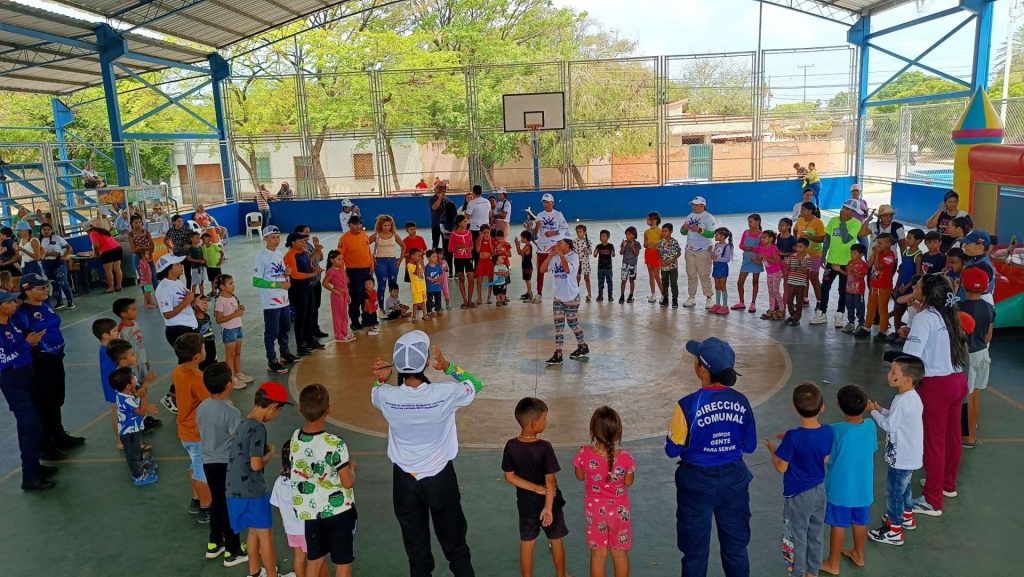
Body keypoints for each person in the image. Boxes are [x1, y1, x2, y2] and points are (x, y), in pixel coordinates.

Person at [370, 331, 482, 577]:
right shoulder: (444, 393)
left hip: (404, 481)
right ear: (424, 364)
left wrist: (381, 378)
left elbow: (376, 391)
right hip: (440, 479)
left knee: (416, 554)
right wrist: (448, 366)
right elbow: (476, 384)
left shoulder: (386, 396)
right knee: (456, 547)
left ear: (397, 365)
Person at [667, 337, 756, 577]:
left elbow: (672, 450)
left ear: (702, 369)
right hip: (734, 481)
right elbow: (749, 446)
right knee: (736, 549)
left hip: (696, 483)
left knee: (695, 553)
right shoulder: (742, 401)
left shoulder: (686, 405)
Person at [882, 274, 968, 517]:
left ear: (927, 293)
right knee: (952, 437)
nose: (915, 287)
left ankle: (932, 499)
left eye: (918, 286)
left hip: (936, 386)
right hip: (957, 380)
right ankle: (947, 484)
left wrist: (891, 358)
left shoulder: (924, 318)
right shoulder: (948, 314)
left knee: (934, 443)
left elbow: (912, 358)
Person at [765, 382, 833, 577]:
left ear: (794, 407)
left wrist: (773, 449)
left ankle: (797, 572)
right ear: (822, 407)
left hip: (798, 495)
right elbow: (824, 457)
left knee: (796, 535)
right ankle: (812, 571)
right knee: (815, 532)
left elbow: (781, 466)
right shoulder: (828, 431)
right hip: (819, 491)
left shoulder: (793, 438)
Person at [290, 384, 356, 577]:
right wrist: (352, 469)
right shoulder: (335, 443)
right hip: (339, 511)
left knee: (315, 558)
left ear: (299, 408)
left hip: (310, 511)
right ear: (329, 409)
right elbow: (347, 482)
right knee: (342, 561)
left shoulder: (295, 438)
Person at [228, 381, 292, 577]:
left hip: (234, 488)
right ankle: (272, 574)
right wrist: (271, 452)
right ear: (273, 407)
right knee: (266, 535)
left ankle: (254, 572)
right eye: (278, 411)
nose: (276, 415)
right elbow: (256, 464)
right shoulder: (258, 428)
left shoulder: (243, 422)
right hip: (252, 491)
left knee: (253, 531)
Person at [15, 273, 83, 457]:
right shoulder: (22, 314)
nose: (46, 290)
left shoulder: (45, 305)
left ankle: (58, 434)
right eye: (41, 288)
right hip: (41, 362)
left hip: (55, 358)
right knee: (44, 403)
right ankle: (45, 444)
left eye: (46, 287)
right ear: (27, 290)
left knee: (57, 399)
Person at [502, 397, 568, 577]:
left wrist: (533, 487)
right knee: (555, 540)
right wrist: (548, 507)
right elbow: (551, 482)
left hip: (526, 504)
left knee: (527, 543)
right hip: (550, 504)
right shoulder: (545, 447)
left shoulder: (511, 445)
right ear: (534, 423)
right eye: (544, 419)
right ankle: (561, 575)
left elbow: (509, 476)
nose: (546, 422)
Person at [867, 356, 925, 546]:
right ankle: (907, 516)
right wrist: (881, 409)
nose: (889, 374)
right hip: (910, 456)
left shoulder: (902, 401)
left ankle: (894, 531)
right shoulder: (911, 397)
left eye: (894, 372)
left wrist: (873, 412)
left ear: (907, 379)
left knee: (893, 492)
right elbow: (897, 418)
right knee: (905, 488)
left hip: (901, 458)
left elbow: (890, 425)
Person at [820, 385, 877, 575]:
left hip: (840, 489)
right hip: (863, 488)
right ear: (864, 405)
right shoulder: (870, 425)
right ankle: (858, 555)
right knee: (860, 521)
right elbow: (872, 449)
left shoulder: (834, 430)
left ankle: (832, 563)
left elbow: (825, 456)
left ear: (839, 405)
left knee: (838, 524)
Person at [574, 406, 635, 577]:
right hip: (619, 512)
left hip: (594, 512)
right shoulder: (626, 458)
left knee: (598, 555)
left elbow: (579, 476)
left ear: (592, 431)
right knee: (620, 554)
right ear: (617, 433)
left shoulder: (583, 453)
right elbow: (628, 482)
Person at [1, 288, 53, 491]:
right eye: (10, 303)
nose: (15, 305)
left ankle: (35, 467)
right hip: (14, 380)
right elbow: (2, 361)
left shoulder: (11, 323)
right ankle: (29, 477)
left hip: (26, 374)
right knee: (29, 426)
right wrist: (26, 344)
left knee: (34, 425)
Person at [196, 362, 246, 566]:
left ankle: (215, 542)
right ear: (228, 385)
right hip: (226, 462)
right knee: (229, 505)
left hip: (208, 460)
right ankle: (233, 550)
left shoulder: (202, 406)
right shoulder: (231, 412)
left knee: (218, 501)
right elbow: (239, 437)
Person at [173, 332, 213, 523]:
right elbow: (210, 402)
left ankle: (196, 499)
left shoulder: (178, 370)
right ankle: (207, 507)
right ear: (197, 356)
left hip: (185, 430)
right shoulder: (197, 377)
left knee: (195, 465)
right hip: (196, 432)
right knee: (202, 471)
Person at [812, 200, 870, 328]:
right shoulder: (833, 221)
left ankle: (839, 314)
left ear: (853, 213)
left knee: (843, 290)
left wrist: (843, 222)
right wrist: (823, 256)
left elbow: (846, 239)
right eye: (844, 208)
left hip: (847, 264)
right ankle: (822, 312)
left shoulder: (856, 224)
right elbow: (827, 239)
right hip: (832, 261)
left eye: (849, 210)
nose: (845, 211)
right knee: (825, 287)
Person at [155, 253, 198, 413]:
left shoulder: (178, 282)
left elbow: (185, 302)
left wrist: (194, 302)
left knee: (191, 364)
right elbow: (168, 314)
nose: (181, 266)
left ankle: (185, 393)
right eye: (177, 265)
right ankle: (171, 395)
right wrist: (187, 301)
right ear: (168, 269)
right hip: (177, 329)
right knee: (185, 366)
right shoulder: (163, 288)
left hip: (188, 326)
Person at [957, 267, 994, 448]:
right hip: (982, 353)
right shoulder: (989, 308)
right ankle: (973, 428)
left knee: (967, 397)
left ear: (963, 284)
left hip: (967, 355)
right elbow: (988, 336)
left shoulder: (959, 308)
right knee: (976, 394)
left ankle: (969, 436)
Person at [254, 226, 296, 375]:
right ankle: (272, 360)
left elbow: (280, 273)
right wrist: (278, 284)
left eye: (278, 236)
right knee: (272, 331)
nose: (276, 240)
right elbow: (257, 281)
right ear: (265, 238)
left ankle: (285, 353)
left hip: (284, 298)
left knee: (285, 328)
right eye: (273, 237)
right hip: (271, 300)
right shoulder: (261, 258)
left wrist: (286, 275)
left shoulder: (278, 254)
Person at [541, 237, 588, 365]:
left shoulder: (574, 257)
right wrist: (550, 256)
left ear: (568, 244)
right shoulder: (555, 257)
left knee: (573, 324)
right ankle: (558, 353)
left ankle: (582, 345)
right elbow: (542, 270)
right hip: (558, 297)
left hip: (571, 296)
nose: (557, 244)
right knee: (559, 326)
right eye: (556, 242)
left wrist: (561, 255)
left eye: (560, 242)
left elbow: (567, 270)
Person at [110, 367, 159, 487]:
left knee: (136, 450)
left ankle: (140, 465)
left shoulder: (124, 393)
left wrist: (145, 403)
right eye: (132, 378)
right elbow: (140, 411)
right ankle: (139, 476)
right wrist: (144, 397)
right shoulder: (126, 399)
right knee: (132, 455)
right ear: (127, 386)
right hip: (130, 433)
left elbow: (136, 399)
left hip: (133, 430)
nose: (135, 379)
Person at [270, 443, 309, 577]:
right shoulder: (304, 480)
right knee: (313, 559)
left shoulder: (279, 481)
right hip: (307, 528)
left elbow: (277, 504)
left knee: (298, 558)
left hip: (291, 529)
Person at [284, 231, 323, 356]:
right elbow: (294, 274)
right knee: (301, 316)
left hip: (308, 287)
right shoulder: (290, 255)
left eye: (304, 241)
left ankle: (309, 339)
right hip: (298, 289)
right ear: (292, 242)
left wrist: (314, 269)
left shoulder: (303, 252)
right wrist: (311, 274)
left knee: (310, 313)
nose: (303, 243)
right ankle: (300, 344)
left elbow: (309, 264)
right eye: (300, 241)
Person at [212, 274, 253, 386]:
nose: (233, 285)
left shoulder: (233, 297)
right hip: (229, 330)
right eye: (230, 284)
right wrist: (235, 314)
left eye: (233, 283)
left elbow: (235, 311)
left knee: (237, 353)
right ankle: (231, 377)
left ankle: (238, 373)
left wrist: (240, 308)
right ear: (222, 287)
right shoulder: (220, 301)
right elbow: (219, 319)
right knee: (230, 355)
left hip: (238, 327)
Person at [113, 297, 155, 398]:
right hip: (131, 365)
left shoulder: (135, 323)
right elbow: (121, 351)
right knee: (134, 388)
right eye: (133, 310)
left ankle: (142, 404)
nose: (136, 311)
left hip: (140, 361)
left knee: (143, 387)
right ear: (123, 314)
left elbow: (140, 344)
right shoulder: (122, 331)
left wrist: (145, 360)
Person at [531, 193, 569, 302]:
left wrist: (554, 232)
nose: (546, 204)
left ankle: (563, 292)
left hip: (555, 247)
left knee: (560, 269)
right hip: (542, 248)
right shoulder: (539, 215)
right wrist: (536, 227)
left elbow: (565, 228)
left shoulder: (558, 215)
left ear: (552, 203)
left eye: (548, 202)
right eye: (544, 202)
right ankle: (539, 293)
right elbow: (534, 233)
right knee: (540, 271)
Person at [338, 216, 373, 332]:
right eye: (356, 224)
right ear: (350, 225)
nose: (358, 226)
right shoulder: (344, 239)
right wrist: (344, 274)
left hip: (366, 270)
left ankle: (367, 318)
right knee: (355, 297)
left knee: (366, 295)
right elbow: (339, 258)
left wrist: (371, 266)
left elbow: (368, 251)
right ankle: (355, 321)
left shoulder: (364, 234)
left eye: (360, 224)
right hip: (353, 272)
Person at [682, 196, 717, 309]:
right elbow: (683, 232)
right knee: (691, 274)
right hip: (689, 250)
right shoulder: (690, 216)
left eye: (696, 205)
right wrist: (684, 228)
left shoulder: (709, 217)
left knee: (704, 275)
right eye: (693, 204)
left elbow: (712, 234)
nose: (693, 206)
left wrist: (699, 230)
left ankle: (709, 298)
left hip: (703, 251)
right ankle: (691, 297)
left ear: (702, 205)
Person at [863, 233, 898, 340]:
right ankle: (867, 327)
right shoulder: (878, 252)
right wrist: (874, 253)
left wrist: (877, 254)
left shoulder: (890, 256)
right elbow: (868, 265)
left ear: (889, 244)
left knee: (882, 309)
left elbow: (877, 267)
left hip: (884, 287)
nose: (877, 245)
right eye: (877, 243)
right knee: (870, 307)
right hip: (874, 285)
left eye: (880, 243)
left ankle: (883, 331)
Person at [891, 229, 924, 339]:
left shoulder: (918, 255)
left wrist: (907, 286)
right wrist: (897, 285)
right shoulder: (905, 251)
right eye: (907, 237)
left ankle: (908, 335)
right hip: (901, 286)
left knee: (911, 313)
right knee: (897, 309)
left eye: (909, 238)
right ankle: (897, 332)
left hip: (911, 288)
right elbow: (901, 270)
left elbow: (918, 276)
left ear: (918, 241)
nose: (906, 240)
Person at [369, 215, 406, 309]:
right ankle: (381, 308)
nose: (387, 227)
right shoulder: (376, 235)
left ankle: (394, 305)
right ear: (380, 225)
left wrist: (400, 260)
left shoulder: (394, 235)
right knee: (382, 285)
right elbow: (365, 244)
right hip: (380, 262)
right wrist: (371, 257)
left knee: (393, 285)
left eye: (389, 225)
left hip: (393, 262)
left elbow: (403, 246)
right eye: (385, 225)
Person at [794, 202, 826, 310]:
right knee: (804, 276)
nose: (801, 212)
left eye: (803, 210)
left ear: (810, 210)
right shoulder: (800, 220)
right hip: (803, 254)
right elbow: (795, 230)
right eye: (801, 209)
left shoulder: (818, 222)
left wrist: (809, 237)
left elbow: (822, 238)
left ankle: (820, 301)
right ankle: (804, 298)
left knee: (813, 277)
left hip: (815, 254)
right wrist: (796, 241)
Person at [39, 222, 74, 310]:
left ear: (51, 231)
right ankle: (59, 302)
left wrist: (64, 256)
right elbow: (38, 254)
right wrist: (49, 254)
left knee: (62, 282)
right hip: (46, 263)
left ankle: (70, 302)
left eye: (48, 230)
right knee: (54, 283)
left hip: (58, 262)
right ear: (41, 231)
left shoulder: (57, 238)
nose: (46, 231)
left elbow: (69, 248)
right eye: (44, 230)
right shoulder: (38, 241)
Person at [322, 250, 354, 343]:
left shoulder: (341, 269)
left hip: (344, 295)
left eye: (342, 259)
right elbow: (324, 283)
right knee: (338, 316)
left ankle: (345, 333)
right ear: (332, 260)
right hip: (337, 297)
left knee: (344, 315)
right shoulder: (331, 271)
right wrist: (334, 290)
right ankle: (338, 335)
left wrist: (348, 295)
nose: (341, 261)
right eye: (338, 259)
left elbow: (345, 284)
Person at [733, 214, 763, 313]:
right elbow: (741, 245)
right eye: (748, 222)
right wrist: (744, 247)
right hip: (746, 261)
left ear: (757, 222)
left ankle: (753, 303)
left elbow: (763, 249)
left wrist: (753, 249)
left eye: (751, 221)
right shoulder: (746, 233)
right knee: (740, 282)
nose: (749, 224)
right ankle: (741, 302)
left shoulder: (761, 235)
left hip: (756, 261)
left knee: (755, 282)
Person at [783, 238, 812, 326]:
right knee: (789, 300)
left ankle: (797, 318)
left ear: (806, 248)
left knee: (799, 302)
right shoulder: (792, 256)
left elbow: (807, 273)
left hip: (800, 283)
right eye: (797, 247)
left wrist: (800, 263)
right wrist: (787, 264)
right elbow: (788, 269)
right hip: (791, 281)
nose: (798, 249)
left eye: (801, 247)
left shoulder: (807, 258)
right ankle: (793, 316)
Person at [755, 230, 783, 320]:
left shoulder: (773, 248)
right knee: (770, 291)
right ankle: (771, 309)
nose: (762, 239)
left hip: (776, 272)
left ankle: (782, 309)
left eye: (764, 237)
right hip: (769, 273)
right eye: (761, 237)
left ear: (771, 239)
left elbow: (775, 261)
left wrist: (765, 256)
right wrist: (755, 260)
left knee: (775, 291)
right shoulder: (761, 248)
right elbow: (760, 261)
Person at [449, 215, 476, 307]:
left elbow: (471, 244)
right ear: (459, 223)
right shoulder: (453, 234)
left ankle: (470, 300)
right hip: (458, 259)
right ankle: (464, 300)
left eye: (466, 221)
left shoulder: (469, 233)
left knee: (471, 279)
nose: (466, 223)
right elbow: (450, 249)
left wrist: (470, 249)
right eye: (464, 222)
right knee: (461, 278)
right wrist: (458, 247)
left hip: (468, 258)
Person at [842, 244, 869, 335]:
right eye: (851, 253)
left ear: (861, 254)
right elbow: (847, 273)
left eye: (854, 253)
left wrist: (854, 271)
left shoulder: (863, 264)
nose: (852, 255)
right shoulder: (850, 262)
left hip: (858, 290)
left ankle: (861, 324)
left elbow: (861, 276)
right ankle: (851, 323)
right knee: (849, 305)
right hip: (849, 289)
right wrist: (839, 269)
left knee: (859, 306)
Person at [709, 227, 734, 314]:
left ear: (723, 236)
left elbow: (727, 259)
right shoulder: (716, 245)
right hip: (716, 267)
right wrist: (710, 253)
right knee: (717, 287)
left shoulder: (727, 246)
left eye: (717, 235)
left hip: (723, 268)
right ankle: (718, 304)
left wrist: (717, 258)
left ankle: (725, 306)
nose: (715, 236)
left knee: (723, 287)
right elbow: (715, 255)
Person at [165, 214, 194, 286]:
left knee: (188, 274)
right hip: (177, 255)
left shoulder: (187, 229)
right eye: (178, 221)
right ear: (173, 222)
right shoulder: (171, 231)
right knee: (177, 274)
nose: (180, 222)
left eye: (181, 221)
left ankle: (188, 290)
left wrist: (190, 245)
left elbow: (195, 240)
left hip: (187, 255)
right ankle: (178, 289)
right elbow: (165, 240)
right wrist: (170, 247)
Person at [658, 223, 682, 308]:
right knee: (664, 282)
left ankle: (675, 299)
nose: (664, 233)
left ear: (671, 231)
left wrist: (672, 260)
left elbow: (679, 252)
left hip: (673, 266)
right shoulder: (661, 242)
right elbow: (658, 253)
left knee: (673, 282)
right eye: (663, 231)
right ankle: (665, 298)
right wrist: (661, 261)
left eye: (666, 231)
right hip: (664, 266)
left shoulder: (674, 242)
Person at [466, 185, 492, 260]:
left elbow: (467, 216)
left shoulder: (472, 203)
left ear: (473, 192)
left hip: (475, 229)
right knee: (485, 246)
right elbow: (490, 214)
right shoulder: (487, 201)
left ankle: (477, 266)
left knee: (475, 248)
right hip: (486, 228)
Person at [643, 212, 664, 303]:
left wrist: (656, 245)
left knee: (656, 276)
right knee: (650, 275)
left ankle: (663, 294)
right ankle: (653, 294)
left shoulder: (660, 231)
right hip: (648, 253)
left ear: (654, 220)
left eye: (648, 219)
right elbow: (645, 244)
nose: (647, 221)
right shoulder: (646, 232)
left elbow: (662, 244)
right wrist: (647, 244)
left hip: (656, 254)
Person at [474, 225, 495, 305]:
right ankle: (479, 298)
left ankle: (488, 298)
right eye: (484, 232)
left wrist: (489, 242)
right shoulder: (478, 239)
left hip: (489, 262)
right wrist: (480, 238)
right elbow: (478, 250)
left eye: (488, 232)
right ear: (481, 233)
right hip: (481, 262)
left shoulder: (492, 240)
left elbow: (493, 253)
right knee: (479, 281)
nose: (486, 234)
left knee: (490, 280)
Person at [572, 224, 593, 302]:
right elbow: (572, 252)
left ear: (585, 232)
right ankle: (575, 294)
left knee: (587, 278)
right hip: (577, 263)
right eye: (577, 232)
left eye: (580, 231)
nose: (579, 233)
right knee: (577, 279)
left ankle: (589, 294)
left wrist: (586, 250)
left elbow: (590, 252)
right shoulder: (574, 242)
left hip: (585, 263)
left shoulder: (588, 242)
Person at [593, 229, 615, 302]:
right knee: (600, 282)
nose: (601, 238)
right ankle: (600, 295)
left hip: (608, 268)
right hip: (600, 268)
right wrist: (595, 253)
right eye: (600, 236)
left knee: (609, 282)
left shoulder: (610, 245)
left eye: (603, 236)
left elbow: (613, 255)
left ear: (608, 237)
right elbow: (595, 255)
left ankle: (610, 295)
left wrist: (613, 253)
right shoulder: (598, 246)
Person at [407, 249, 428, 321]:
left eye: (420, 255)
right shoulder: (409, 265)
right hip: (416, 287)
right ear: (412, 256)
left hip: (422, 286)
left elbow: (423, 271)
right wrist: (417, 263)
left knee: (423, 302)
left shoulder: (419, 263)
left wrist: (421, 263)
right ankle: (414, 317)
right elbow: (416, 273)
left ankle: (424, 315)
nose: (419, 257)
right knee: (416, 303)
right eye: (418, 255)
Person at [516, 230, 536, 303]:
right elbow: (522, 254)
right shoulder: (527, 245)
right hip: (525, 265)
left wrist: (517, 245)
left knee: (528, 280)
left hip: (527, 266)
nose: (521, 239)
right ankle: (528, 292)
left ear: (525, 238)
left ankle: (530, 295)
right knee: (526, 279)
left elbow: (519, 252)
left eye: (522, 238)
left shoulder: (528, 246)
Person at [425, 250, 445, 316]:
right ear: (428, 258)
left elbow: (441, 273)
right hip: (430, 287)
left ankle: (438, 310)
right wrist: (434, 280)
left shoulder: (438, 266)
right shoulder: (427, 267)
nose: (435, 258)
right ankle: (429, 311)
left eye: (436, 256)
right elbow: (427, 276)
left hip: (437, 287)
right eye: (433, 257)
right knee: (429, 300)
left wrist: (440, 279)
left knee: (438, 299)